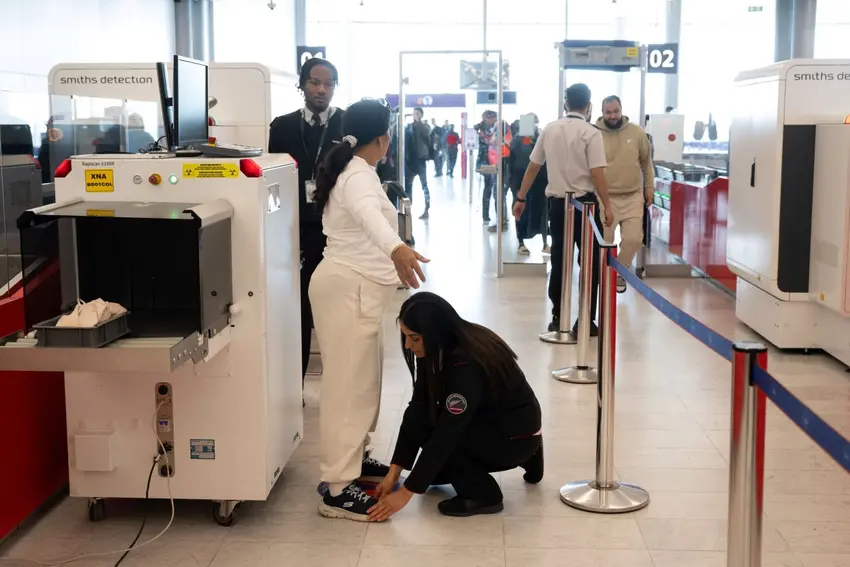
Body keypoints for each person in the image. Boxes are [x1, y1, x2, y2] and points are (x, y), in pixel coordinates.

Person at [310, 98, 430, 522]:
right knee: (349, 390)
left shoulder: (357, 171)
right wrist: (397, 247)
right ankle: (337, 489)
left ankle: (354, 463)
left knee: (362, 384)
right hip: (349, 289)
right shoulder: (358, 178)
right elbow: (368, 216)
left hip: (353, 289)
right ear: (382, 138)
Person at [368, 292, 543, 521]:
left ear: (433, 332)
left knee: (441, 437)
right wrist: (394, 472)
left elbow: (448, 432)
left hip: (514, 437)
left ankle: (484, 494)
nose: (408, 345)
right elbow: (418, 407)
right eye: (405, 337)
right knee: (426, 426)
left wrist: (406, 492)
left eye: (414, 338)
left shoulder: (466, 362)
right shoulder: (444, 343)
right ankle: (530, 456)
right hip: (508, 423)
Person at [513, 83, 613, 336]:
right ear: (589, 106)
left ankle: (558, 316)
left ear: (566, 104)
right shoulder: (591, 133)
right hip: (585, 206)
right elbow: (597, 172)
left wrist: (520, 197)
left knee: (559, 260)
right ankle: (586, 320)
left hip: (557, 206)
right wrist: (607, 205)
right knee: (589, 264)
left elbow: (534, 166)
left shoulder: (550, 129)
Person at [268, 58, 344, 387]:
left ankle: (339, 386)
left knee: (335, 313)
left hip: (336, 233)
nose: (321, 89)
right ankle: (293, 391)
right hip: (294, 233)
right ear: (302, 85)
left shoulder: (346, 126)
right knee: (297, 315)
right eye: (315, 82)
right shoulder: (281, 127)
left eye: (328, 84)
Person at [596, 95, 654, 292]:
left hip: (632, 196)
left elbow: (647, 163)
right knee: (605, 241)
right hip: (605, 197)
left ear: (622, 110)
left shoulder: (637, 133)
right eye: (608, 112)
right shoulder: (594, 133)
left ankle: (618, 272)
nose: (613, 116)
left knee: (633, 239)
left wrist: (649, 188)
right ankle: (605, 275)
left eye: (616, 111)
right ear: (602, 112)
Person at [508, 114, 548, 255]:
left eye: (535, 122)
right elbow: (511, 164)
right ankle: (521, 242)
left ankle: (545, 243)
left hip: (541, 182)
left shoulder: (542, 138)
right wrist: (512, 184)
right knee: (520, 213)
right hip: (520, 182)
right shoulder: (516, 141)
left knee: (543, 212)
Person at [404, 107, 431, 219]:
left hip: (420, 160)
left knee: (424, 185)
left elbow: (426, 134)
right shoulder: (409, 126)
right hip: (410, 160)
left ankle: (427, 209)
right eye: (414, 113)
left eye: (417, 114)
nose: (414, 115)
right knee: (408, 185)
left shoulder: (424, 126)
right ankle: (407, 209)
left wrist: (418, 122)